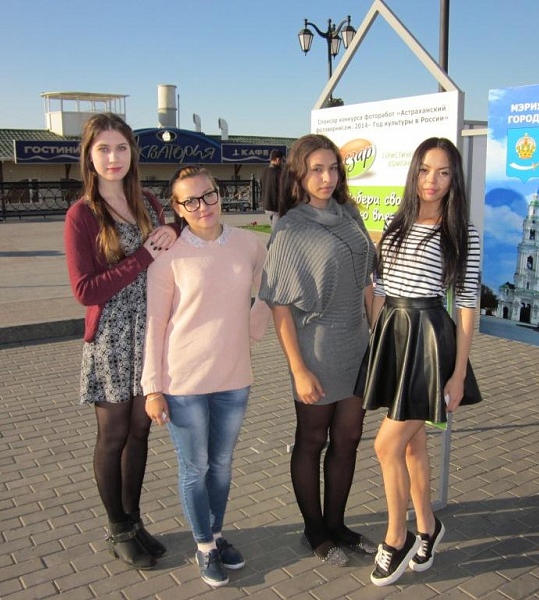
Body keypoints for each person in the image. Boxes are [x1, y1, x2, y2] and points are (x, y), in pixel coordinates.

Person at [357, 137, 482, 586]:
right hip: (393, 336)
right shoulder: (398, 220)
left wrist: (458, 373)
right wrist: (377, 340)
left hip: (429, 342)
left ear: (454, 179)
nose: (432, 181)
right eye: (426, 170)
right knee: (411, 445)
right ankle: (428, 527)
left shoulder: (462, 231)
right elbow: (381, 286)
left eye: (443, 172)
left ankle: (397, 537)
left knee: (385, 446)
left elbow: (466, 304)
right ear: (414, 172)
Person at [142, 165, 270, 587]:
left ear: (220, 193)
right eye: (191, 201)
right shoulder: (169, 256)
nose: (203, 206)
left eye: (209, 195)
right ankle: (204, 546)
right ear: (177, 207)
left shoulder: (248, 244)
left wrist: (251, 329)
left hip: (234, 377)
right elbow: (155, 324)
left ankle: (215, 534)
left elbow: (271, 286)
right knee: (195, 467)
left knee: (222, 465)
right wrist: (152, 388)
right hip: (183, 383)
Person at [64, 112, 178, 570]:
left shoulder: (147, 201)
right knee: (113, 436)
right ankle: (117, 528)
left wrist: (176, 230)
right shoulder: (82, 214)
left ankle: (134, 519)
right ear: (89, 157)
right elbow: (84, 290)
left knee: (140, 430)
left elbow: (169, 251)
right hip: (112, 337)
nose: (114, 158)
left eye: (122, 148)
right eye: (104, 149)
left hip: (150, 331)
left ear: (133, 153)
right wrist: (143, 256)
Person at [258, 134, 378, 566]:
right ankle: (315, 531)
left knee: (348, 438)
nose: (327, 178)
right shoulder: (291, 228)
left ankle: (338, 524)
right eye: (316, 170)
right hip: (316, 349)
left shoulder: (350, 214)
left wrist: (378, 337)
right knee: (311, 441)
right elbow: (280, 306)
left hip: (357, 344)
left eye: (333, 168)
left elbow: (368, 281)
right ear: (299, 174)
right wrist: (298, 369)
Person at [259, 149, 284, 228]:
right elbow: (283, 190)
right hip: (277, 207)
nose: (282, 163)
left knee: (274, 230)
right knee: (278, 231)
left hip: (266, 206)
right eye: (282, 160)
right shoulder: (280, 173)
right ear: (278, 160)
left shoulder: (264, 172)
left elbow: (261, 187)